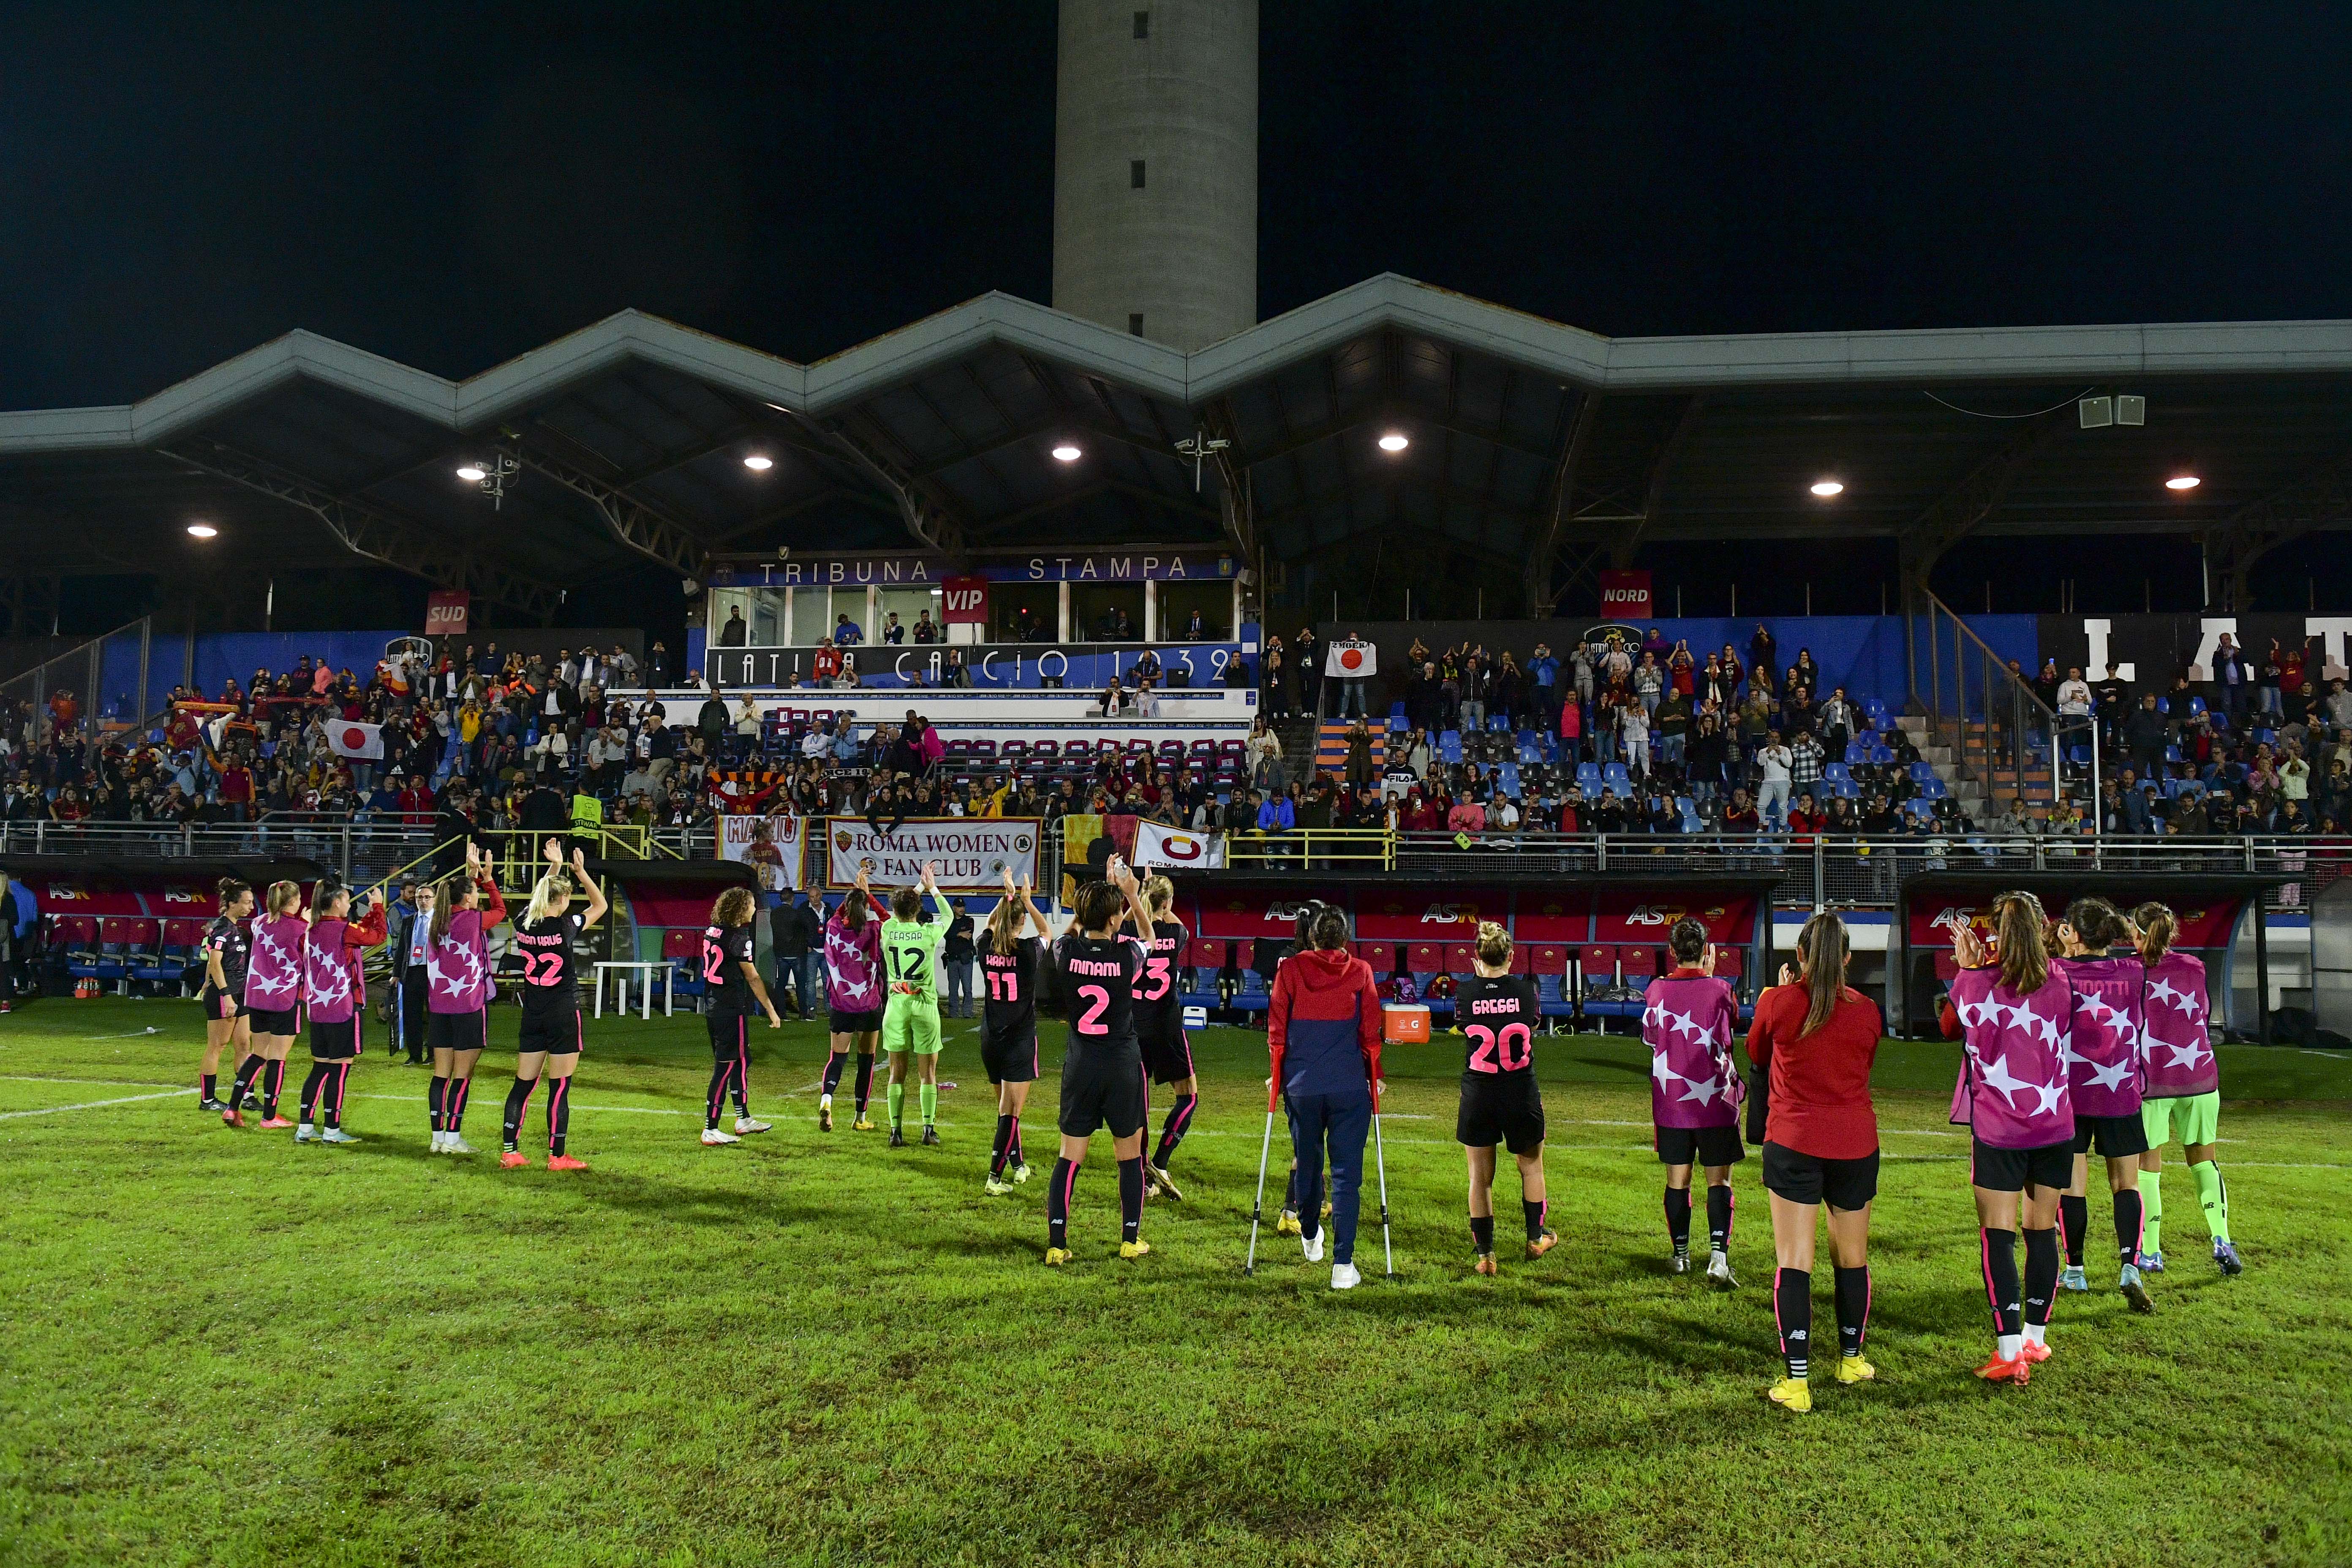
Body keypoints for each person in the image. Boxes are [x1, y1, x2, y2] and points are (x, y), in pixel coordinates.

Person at [1745, 912, 1882, 1413]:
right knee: (1852, 1257)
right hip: (1854, 1143)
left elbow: (1757, 1051)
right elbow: (1862, 1063)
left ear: (1799, 956)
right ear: (1847, 957)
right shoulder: (1867, 1010)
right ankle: (1850, 1360)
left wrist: (1775, 997)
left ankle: (1798, 1382)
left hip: (1795, 1140)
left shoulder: (1778, 1002)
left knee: (1794, 1259)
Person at [1944, 894, 2075, 1384]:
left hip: (2000, 1130)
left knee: (1997, 1235)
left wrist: (1968, 966)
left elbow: (1948, 1026)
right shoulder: (2062, 979)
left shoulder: (1974, 983)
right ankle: (2035, 1341)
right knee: (2042, 1231)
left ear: (1996, 931)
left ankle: (2008, 1352)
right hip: (2055, 1125)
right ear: (2043, 930)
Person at [1042, 858, 1160, 1266]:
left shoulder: (1065, 949)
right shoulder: (1127, 953)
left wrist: (1093, 905)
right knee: (1129, 1156)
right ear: (1115, 921)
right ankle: (1130, 1239)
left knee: (1068, 1157)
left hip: (1081, 1065)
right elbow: (1148, 934)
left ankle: (1057, 1244)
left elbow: (1072, 933)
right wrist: (1129, 892)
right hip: (1122, 1065)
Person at [1268, 902, 1385, 1289]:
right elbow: (1371, 1030)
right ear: (1345, 939)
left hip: (1302, 1087)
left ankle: (1309, 1235)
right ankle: (1343, 1266)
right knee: (1346, 1176)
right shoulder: (1361, 971)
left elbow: (1276, 1028)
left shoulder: (1290, 969)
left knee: (1308, 1162)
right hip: (1349, 1086)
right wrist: (1376, 1076)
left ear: (1313, 936)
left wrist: (1277, 1075)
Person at [2049, 896, 2155, 1311]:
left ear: (2072, 932)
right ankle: (2130, 1265)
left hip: (2069, 1093)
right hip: (2119, 1089)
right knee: (2125, 1184)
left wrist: (2062, 949)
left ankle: (2075, 1270)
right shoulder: (2132, 971)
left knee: (2072, 1187)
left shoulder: (2056, 971)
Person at [2132, 902, 2242, 1276]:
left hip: (2152, 1082)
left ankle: (2150, 1252)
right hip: (2198, 1075)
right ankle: (2222, 1239)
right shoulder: (2195, 968)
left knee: (2147, 1168)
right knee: (2203, 1160)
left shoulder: (2130, 972)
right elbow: (2203, 1012)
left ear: (2136, 933)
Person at [1643, 918, 1744, 1283]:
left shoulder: (1655, 990)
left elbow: (1652, 1039)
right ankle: (1718, 1259)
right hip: (1717, 1100)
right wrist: (1711, 980)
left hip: (1674, 1103)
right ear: (1706, 951)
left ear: (1672, 952)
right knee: (1720, 1182)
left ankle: (1681, 1256)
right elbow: (1731, 1026)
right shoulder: (1722, 989)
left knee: (1678, 1182)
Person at [1453, 920, 1555, 1275]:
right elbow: (1533, 1024)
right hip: (1520, 1091)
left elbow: (1464, 1026)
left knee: (1479, 1177)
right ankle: (1536, 1237)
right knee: (1531, 1166)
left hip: (1479, 1092)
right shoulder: (1528, 992)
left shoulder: (1464, 994)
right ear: (1512, 956)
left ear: (1476, 958)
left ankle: (1485, 1255)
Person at [499, 840, 608, 1170]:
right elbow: (599, 905)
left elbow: (538, 899)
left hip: (533, 1011)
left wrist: (555, 868)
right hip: (562, 1010)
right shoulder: (565, 926)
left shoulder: (523, 924)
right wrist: (581, 872)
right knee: (560, 1087)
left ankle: (510, 1151)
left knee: (523, 1084)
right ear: (562, 900)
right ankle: (557, 1156)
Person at [425, 842, 507, 1155]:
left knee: (440, 1074)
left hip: (440, 1006)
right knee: (463, 1074)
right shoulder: (473, 920)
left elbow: (459, 898)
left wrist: (471, 875)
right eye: (475, 892)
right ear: (471, 897)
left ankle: (437, 1138)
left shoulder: (437, 920)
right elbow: (500, 911)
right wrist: (487, 878)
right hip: (469, 1005)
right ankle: (453, 1138)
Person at [294, 878, 387, 1145]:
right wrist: (379, 909)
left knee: (319, 1068)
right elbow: (378, 937)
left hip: (317, 1008)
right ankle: (332, 1131)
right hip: (342, 1007)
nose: (349, 904)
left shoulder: (309, 931)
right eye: (347, 900)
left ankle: (306, 1128)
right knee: (339, 1069)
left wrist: (370, 914)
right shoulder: (343, 931)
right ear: (337, 902)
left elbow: (355, 930)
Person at [980, 867, 1048, 1195]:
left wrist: (1006, 897)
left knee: (1007, 1110)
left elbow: (991, 925)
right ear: (1021, 923)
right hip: (1019, 1040)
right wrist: (1027, 901)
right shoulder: (1028, 952)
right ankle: (994, 1177)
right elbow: (1047, 930)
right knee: (1011, 1111)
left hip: (990, 1038)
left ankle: (1019, 1166)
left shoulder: (985, 947)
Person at [1130, 874, 1199, 1200]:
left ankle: (1144, 1175)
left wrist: (1137, 896)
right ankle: (1160, 1161)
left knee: (1139, 1105)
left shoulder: (1129, 932)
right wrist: (1156, 901)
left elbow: (1133, 919)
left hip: (1133, 1025)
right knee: (1188, 1096)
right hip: (1167, 1023)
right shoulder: (1177, 932)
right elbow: (1177, 923)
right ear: (1168, 903)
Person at [700, 885, 784, 1146]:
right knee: (724, 1066)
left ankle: (743, 1118)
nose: (755, 909)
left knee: (740, 1060)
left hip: (714, 1005)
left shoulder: (712, 931)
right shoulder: (739, 938)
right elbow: (753, 977)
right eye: (750, 904)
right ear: (739, 908)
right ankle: (710, 1128)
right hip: (729, 1007)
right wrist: (771, 1009)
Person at [223, 879, 308, 1128]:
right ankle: (269, 1116)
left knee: (258, 1054)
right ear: (293, 901)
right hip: (284, 997)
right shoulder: (301, 928)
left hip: (257, 997)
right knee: (278, 1057)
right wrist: (305, 922)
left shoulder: (257, 923)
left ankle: (232, 1108)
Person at [879, 863, 950, 1147]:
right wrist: (931, 886)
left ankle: (896, 1132)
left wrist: (917, 888)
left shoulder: (888, 929)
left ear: (895, 910)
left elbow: (902, 908)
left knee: (896, 1072)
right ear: (918, 910)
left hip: (897, 1007)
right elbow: (947, 914)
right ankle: (927, 1129)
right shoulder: (929, 933)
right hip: (924, 1006)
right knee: (928, 1073)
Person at [818, 882, 885, 1132]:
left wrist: (852, 895)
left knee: (837, 1059)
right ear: (866, 908)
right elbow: (887, 917)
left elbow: (837, 914)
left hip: (841, 1004)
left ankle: (827, 1102)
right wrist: (867, 893)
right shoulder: (875, 929)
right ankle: (860, 1118)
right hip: (868, 1005)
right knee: (866, 1062)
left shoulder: (834, 927)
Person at [196, 878, 256, 1112]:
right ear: (232, 904)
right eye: (247, 903)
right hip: (227, 995)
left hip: (241, 993)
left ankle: (247, 1095)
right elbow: (215, 962)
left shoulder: (235, 929)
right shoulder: (222, 929)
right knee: (217, 1046)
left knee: (244, 1045)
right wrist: (226, 994)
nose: (251, 907)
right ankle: (208, 1100)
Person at [770, 889, 825, 1022]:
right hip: (797, 955)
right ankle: (803, 1013)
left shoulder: (774, 914)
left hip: (781, 954)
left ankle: (782, 1013)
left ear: (780, 899)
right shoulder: (798, 914)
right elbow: (807, 931)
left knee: (781, 984)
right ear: (793, 899)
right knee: (801, 984)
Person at [942, 896, 976, 1019]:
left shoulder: (969, 920)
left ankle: (967, 1013)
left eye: (963, 907)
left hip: (965, 959)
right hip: (952, 959)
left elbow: (968, 933)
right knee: (953, 989)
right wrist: (959, 934)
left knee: (968, 989)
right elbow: (946, 934)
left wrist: (955, 934)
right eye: (959, 907)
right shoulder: (949, 921)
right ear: (954, 908)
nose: (962, 909)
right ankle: (953, 1013)